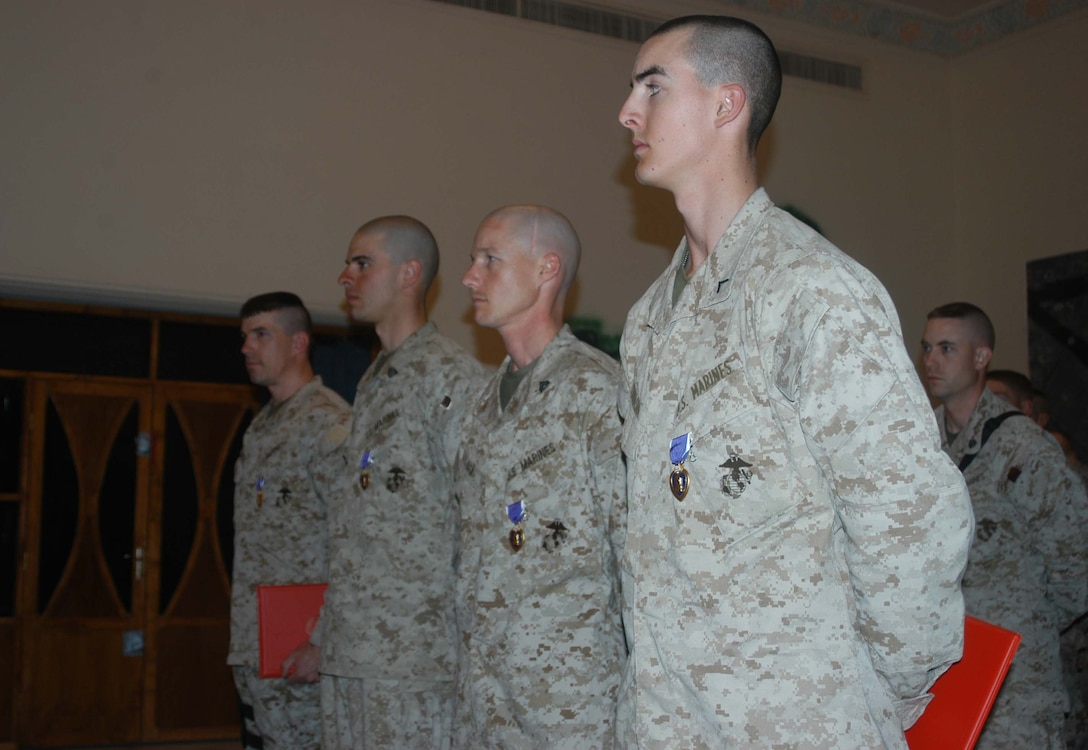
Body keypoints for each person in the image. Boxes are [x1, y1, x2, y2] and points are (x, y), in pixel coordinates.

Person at [614, 15, 974, 747]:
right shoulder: (650, 320)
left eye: (653, 87)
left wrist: (866, 696)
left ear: (726, 105)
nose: (627, 111)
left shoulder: (810, 289)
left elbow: (909, 523)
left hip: (794, 722)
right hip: (668, 721)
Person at [297, 215, 485, 749]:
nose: (345, 277)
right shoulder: (374, 380)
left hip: (414, 656)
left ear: (409, 273)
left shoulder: (449, 377)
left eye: (362, 264)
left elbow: (479, 513)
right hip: (353, 648)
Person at [453, 205, 627, 747]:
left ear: (546, 269)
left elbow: (635, 550)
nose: (469, 277)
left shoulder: (597, 392)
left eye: (490, 260)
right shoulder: (481, 405)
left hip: (570, 704)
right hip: (484, 698)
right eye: (472, 261)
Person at [922, 301, 1088, 747]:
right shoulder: (918, 445)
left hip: (1016, 689)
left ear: (981, 357)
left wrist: (1018, 616)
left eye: (947, 347)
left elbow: (1078, 572)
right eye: (927, 347)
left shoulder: (1025, 450)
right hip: (942, 681)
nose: (931, 360)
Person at [227, 291, 351, 750]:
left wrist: (324, 641)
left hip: (302, 650)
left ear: (299, 343)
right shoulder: (261, 427)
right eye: (244, 336)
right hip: (256, 644)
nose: (247, 347)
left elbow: (355, 541)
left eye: (261, 334)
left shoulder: (328, 423)